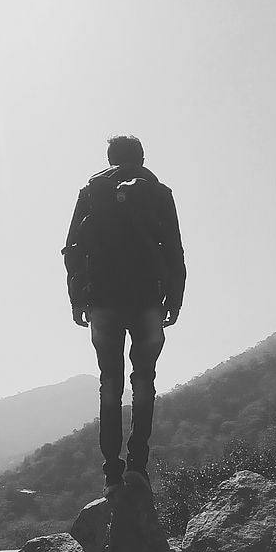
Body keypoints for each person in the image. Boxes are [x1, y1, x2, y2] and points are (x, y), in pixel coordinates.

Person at [62, 135, 186, 497]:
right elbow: (174, 249)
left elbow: (73, 249)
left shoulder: (91, 191)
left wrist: (77, 298)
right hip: (147, 300)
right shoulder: (160, 193)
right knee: (144, 380)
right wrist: (174, 298)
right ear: (143, 157)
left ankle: (111, 473)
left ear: (109, 158)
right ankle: (138, 467)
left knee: (110, 384)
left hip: (102, 300)